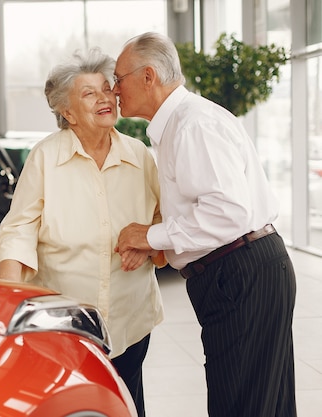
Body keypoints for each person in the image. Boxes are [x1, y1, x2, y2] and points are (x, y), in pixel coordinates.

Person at [114, 32, 297, 417]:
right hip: (246, 266)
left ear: (148, 76)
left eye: (118, 78)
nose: (115, 91)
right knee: (266, 403)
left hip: (239, 271)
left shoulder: (191, 125)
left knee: (239, 404)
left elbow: (226, 213)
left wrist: (149, 236)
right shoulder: (181, 123)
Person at [0, 47, 165, 417]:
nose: (105, 97)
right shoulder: (45, 159)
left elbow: (166, 218)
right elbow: (18, 229)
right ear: (66, 112)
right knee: (72, 406)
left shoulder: (140, 156)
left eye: (107, 88)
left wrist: (148, 243)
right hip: (64, 324)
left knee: (127, 404)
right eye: (89, 93)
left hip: (129, 319)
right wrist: (9, 302)